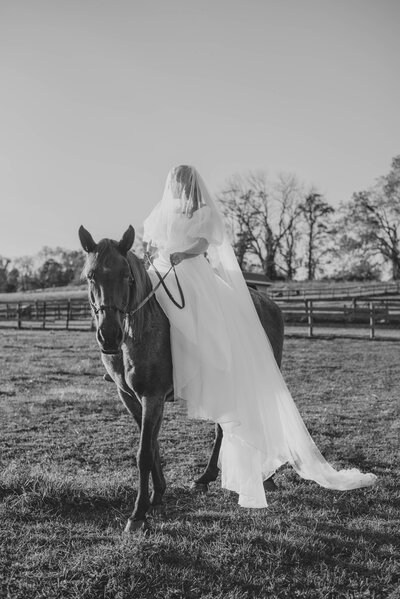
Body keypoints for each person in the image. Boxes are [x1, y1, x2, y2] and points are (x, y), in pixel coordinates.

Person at [143, 165, 376, 508]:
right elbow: (153, 239)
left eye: (181, 183)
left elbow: (205, 243)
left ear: (190, 185)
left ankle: (201, 356)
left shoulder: (204, 212)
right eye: (174, 183)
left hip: (191, 271)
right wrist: (156, 253)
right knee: (140, 304)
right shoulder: (166, 212)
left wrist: (182, 254)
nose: (177, 188)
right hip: (163, 268)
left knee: (197, 314)